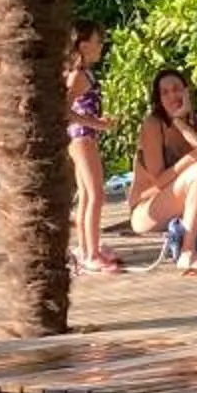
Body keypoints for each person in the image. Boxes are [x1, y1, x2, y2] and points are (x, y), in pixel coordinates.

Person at [128, 68, 197, 271]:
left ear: (187, 92)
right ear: (159, 100)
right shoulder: (153, 125)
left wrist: (181, 124)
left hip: (188, 202)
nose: (172, 95)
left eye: (177, 89)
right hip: (148, 209)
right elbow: (159, 181)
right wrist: (193, 157)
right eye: (165, 93)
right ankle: (187, 252)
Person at [64, 21, 121, 276]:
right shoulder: (78, 75)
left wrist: (97, 122)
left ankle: (88, 247)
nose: (101, 46)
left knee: (88, 195)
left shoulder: (85, 73)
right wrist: (96, 124)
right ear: (84, 45)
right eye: (98, 42)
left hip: (85, 137)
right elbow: (64, 110)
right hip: (82, 138)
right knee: (96, 195)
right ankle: (90, 254)